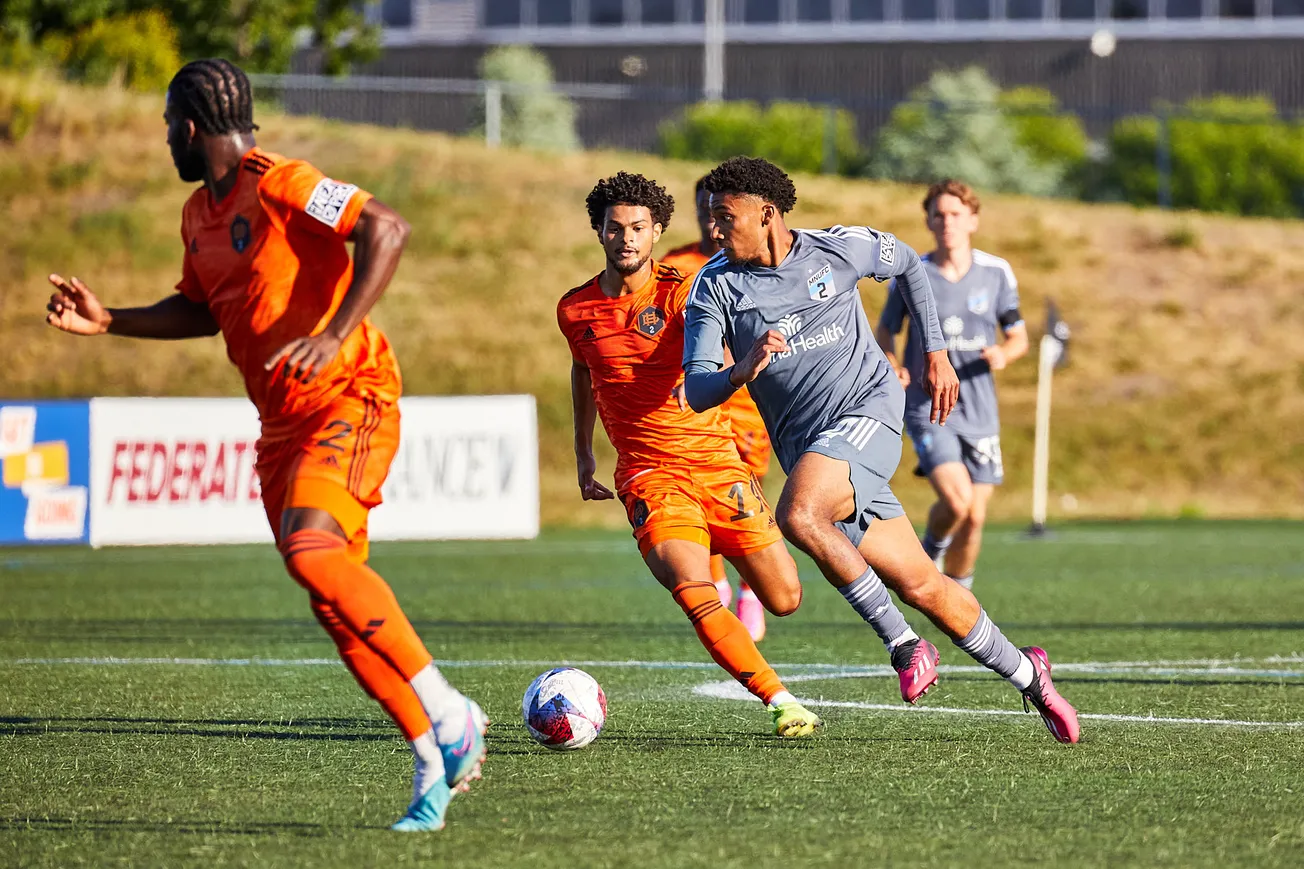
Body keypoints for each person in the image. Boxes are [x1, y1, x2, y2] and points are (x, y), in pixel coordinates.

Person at [43, 59, 486, 830]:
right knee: (328, 591)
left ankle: (452, 715)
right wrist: (110, 318)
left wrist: (333, 333)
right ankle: (428, 755)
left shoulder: (277, 177)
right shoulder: (196, 215)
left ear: (188, 125)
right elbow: (200, 309)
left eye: (164, 124)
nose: (163, 138)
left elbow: (387, 227)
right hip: (279, 425)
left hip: (351, 396)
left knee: (315, 556)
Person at [682, 157, 1079, 743]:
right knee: (924, 586)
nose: (713, 229)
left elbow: (908, 266)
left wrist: (935, 354)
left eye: (725, 216)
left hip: (869, 412)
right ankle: (1031, 675)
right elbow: (696, 389)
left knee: (798, 513)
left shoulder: (837, 250)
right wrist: (741, 368)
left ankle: (904, 645)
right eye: (712, 217)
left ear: (767, 214)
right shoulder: (713, 287)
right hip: (815, 453)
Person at [557, 171, 820, 738]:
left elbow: (724, 338)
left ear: (656, 232)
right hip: (650, 476)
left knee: (786, 597)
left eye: (638, 228)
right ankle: (780, 700)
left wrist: (722, 371)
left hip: (718, 463)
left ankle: (740, 593)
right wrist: (583, 454)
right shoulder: (575, 310)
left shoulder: (686, 290)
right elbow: (582, 372)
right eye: (615, 228)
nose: (626, 238)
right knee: (694, 589)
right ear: (598, 232)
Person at [875, 180, 1028, 591]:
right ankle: (929, 554)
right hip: (930, 407)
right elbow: (887, 329)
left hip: (979, 406)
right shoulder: (913, 273)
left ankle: (960, 598)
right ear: (927, 220)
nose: (947, 222)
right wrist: (893, 363)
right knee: (957, 503)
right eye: (938, 214)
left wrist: (1004, 354)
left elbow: (1018, 335)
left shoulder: (996, 272)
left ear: (973, 220)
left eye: (956, 214)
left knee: (975, 517)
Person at [661, 176, 772, 641]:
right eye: (703, 208)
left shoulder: (752, 264)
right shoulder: (675, 265)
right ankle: (718, 584)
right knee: (701, 491)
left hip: (747, 402)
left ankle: (749, 589)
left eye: (721, 211)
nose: (712, 219)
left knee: (747, 490)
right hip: (696, 401)